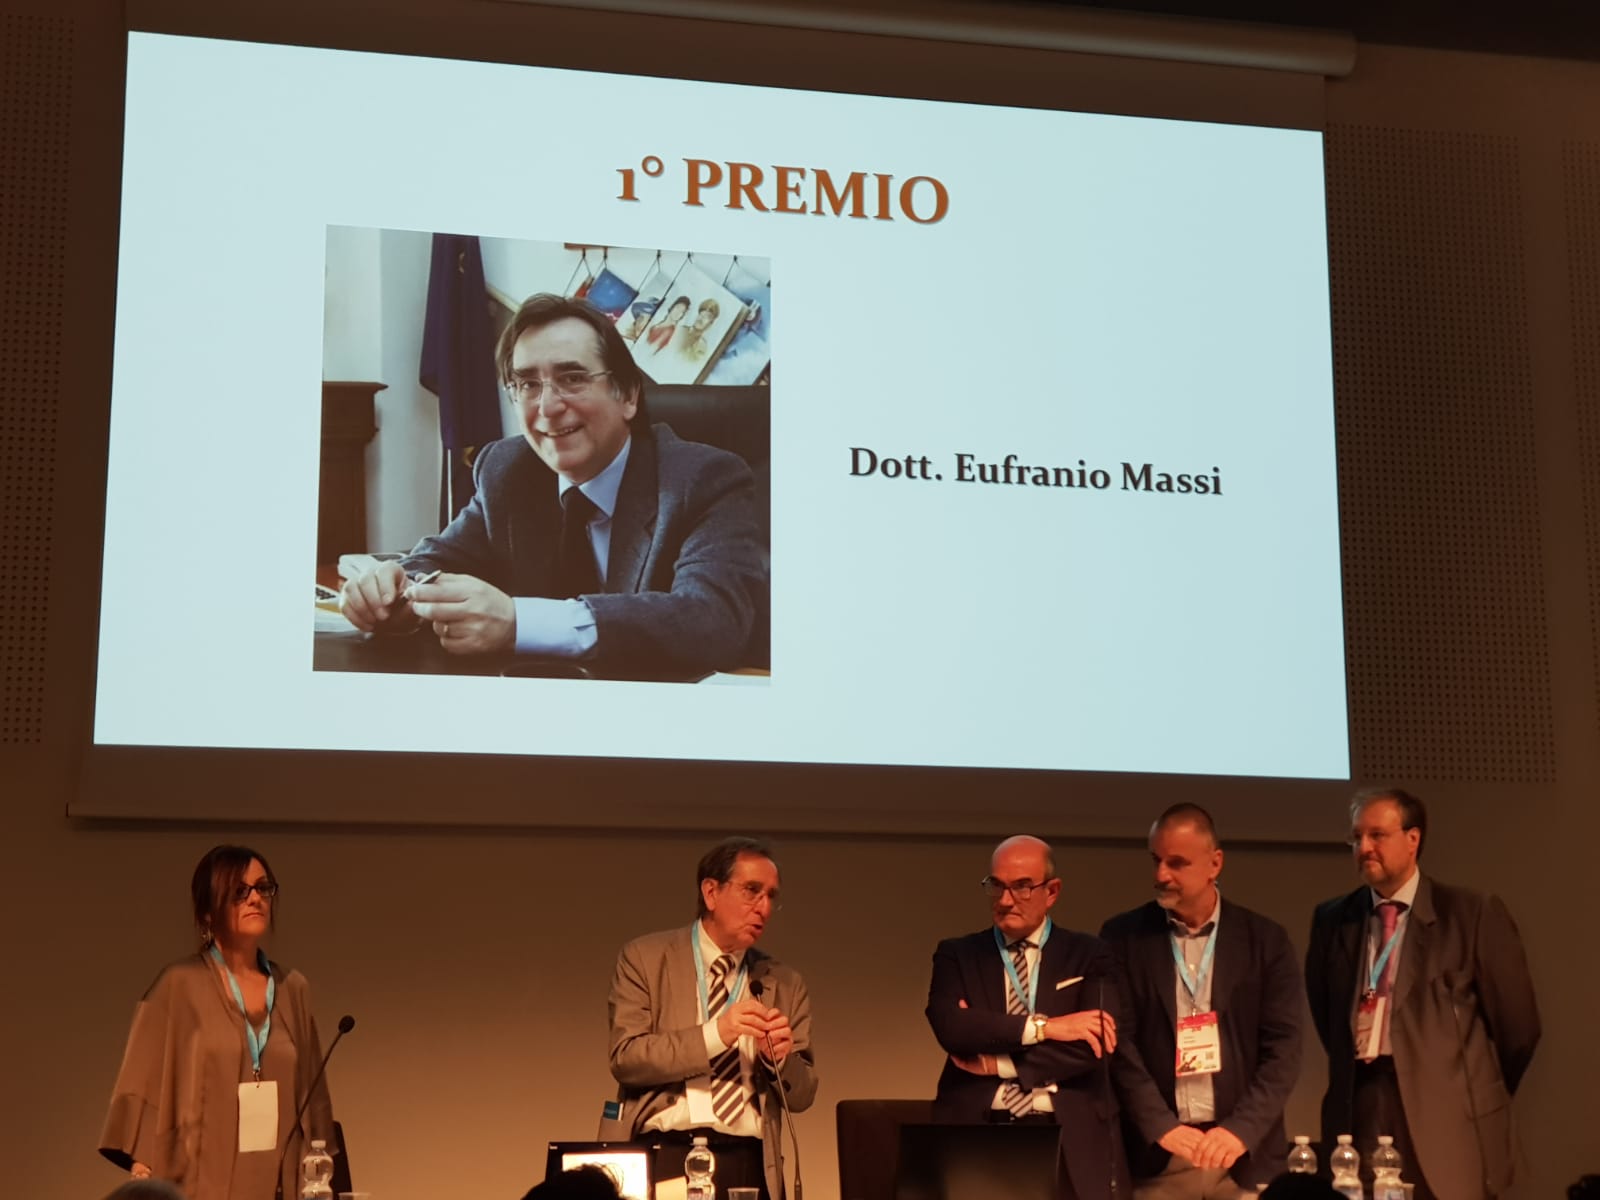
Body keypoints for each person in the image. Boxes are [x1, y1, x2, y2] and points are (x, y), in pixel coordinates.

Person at [339, 293, 768, 675]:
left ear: (628, 395)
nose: (547, 407)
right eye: (527, 384)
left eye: (572, 378)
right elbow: (437, 559)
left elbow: (713, 620)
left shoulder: (705, 479)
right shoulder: (507, 468)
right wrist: (394, 595)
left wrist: (518, 622)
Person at [1305, 788, 1541, 1199]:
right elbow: (1328, 1018)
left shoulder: (1471, 913)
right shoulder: (1333, 920)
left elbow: (1518, 1029)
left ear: (1412, 839)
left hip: (1449, 1114)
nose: (1364, 848)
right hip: (1362, 1102)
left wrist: (1469, 1089)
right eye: (1356, 837)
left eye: (1377, 835)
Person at [99, 846, 335, 1200]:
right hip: (201, 1176)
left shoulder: (292, 987)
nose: (255, 898)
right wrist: (143, 1162)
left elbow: (313, 1103)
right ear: (208, 911)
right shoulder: (178, 984)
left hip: (279, 1176)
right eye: (239, 891)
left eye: (263, 888)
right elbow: (143, 1082)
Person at [1099, 805, 1303, 1199]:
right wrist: (1161, 1126)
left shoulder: (1265, 940)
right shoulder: (1123, 938)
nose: (1161, 875)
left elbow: (1284, 1049)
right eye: (1156, 861)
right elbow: (1119, 1045)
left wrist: (1240, 1130)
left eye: (1177, 863)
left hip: (1243, 1158)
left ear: (1215, 864)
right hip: (1159, 1160)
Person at [600, 837, 816, 1200]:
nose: (763, 907)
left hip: (749, 1158)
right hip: (666, 1152)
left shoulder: (784, 982)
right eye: (752, 891)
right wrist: (717, 1033)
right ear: (711, 892)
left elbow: (804, 1094)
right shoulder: (646, 959)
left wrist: (779, 1060)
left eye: (771, 896)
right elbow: (627, 1058)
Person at [925, 834, 1129, 1200]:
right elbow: (953, 1029)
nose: (1005, 900)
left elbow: (1096, 1045)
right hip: (979, 1132)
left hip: (1069, 1134)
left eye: (1021, 887)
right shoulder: (958, 954)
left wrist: (998, 1063)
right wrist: (1046, 1028)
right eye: (996, 886)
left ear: (1052, 891)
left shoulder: (1090, 954)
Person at [675, 298, 721, 363]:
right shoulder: (681, 331)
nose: (701, 318)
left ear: (710, 324)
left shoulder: (702, 347)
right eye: (701, 314)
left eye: (707, 317)